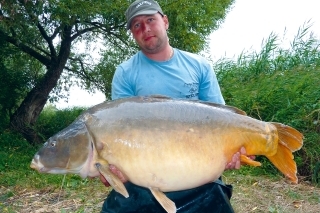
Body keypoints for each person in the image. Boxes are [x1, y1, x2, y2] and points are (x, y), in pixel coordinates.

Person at [100, 0, 250, 212]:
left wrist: (233, 151)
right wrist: (115, 170)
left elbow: (222, 121)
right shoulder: (125, 74)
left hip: (197, 172)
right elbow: (120, 133)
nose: (145, 29)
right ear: (133, 34)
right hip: (146, 176)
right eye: (137, 25)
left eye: (150, 20)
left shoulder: (199, 67)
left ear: (165, 21)